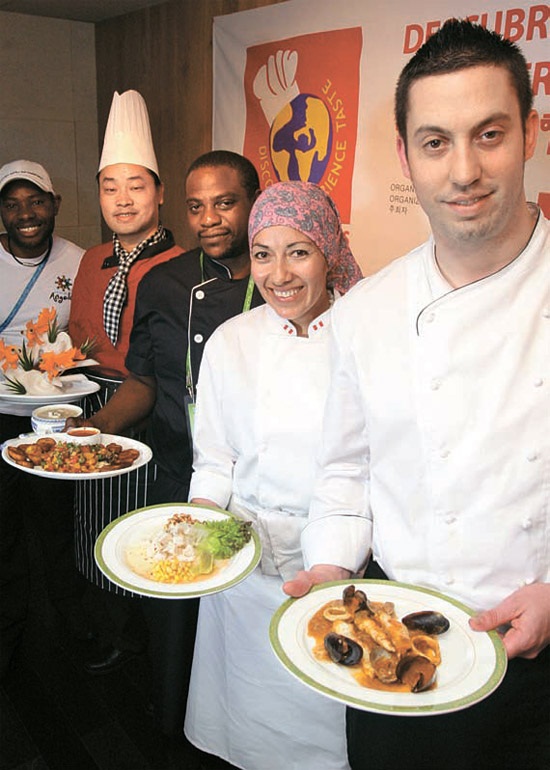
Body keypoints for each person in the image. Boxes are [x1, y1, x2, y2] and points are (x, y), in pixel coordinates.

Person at [284, 19, 550, 770]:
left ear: (530, 133)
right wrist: (333, 566)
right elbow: (344, 470)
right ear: (405, 154)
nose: (463, 170)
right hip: (398, 647)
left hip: (539, 671)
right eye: (435, 142)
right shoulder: (367, 311)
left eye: (489, 134)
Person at [70, 150, 264, 735]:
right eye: (198, 206)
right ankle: (173, 721)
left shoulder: (283, 273)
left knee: (246, 609)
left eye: (226, 203)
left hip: (263, 478)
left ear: (254, 201)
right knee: (174, 608)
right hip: (179, 470)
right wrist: (100, 426)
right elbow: (146, 381)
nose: (210, 219)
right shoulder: (164, 283)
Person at [185, 181, 363, 770]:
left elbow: (362, 472)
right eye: (263, 253)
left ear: (330, 250)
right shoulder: (232, 341)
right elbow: (214, 460)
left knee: (321, 731)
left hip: (328, 569)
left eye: (299, 251)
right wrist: (200, 532)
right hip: (237, 570)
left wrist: (334, 562)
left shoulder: (364, 342)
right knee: (243, 727)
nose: (278, 273)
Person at [67, 90, 184, 676]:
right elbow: (76, 340)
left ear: (160, 193)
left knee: (134, 528)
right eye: (110, 187)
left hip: (149, 415)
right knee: (90, 522)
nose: (123, 199)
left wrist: (103, 419)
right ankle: (108, 627)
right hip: (89, 404)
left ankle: (140, 640)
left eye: (136, 185)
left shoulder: (184, 267)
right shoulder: (91, 260)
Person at [0, 160, 86, 677]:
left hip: (53, 416)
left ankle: (72, 629)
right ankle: (9, 634)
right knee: (3, 530)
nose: (25, 214)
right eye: (12, 204)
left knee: (56, 527)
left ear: (54, 205)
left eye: (35, 201)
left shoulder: (79, 261)